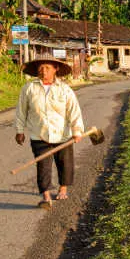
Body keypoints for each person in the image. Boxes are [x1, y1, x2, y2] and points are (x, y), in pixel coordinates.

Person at [14, 58, 86, 209]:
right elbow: (21, 111)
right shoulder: (29, 88)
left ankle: (63, 188)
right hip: (39, 135)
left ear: (55, 69)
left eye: (47, 67)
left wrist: (77, 130)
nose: (43, 71)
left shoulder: (65, 89)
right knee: (43, 166)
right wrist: (19, 131)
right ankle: (46, 196)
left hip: (62, 135)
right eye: (41, 68)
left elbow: (74, 111)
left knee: (65, 164)